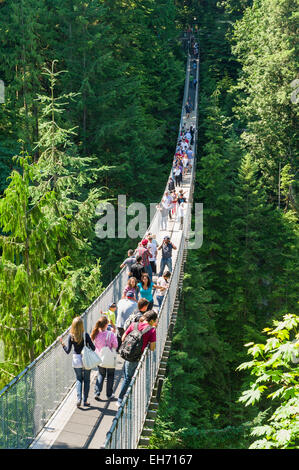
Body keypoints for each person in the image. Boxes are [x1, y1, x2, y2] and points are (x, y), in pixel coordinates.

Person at [117, 310, 158, 408]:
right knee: (129, 378)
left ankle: (122, 398)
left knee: (127, 375)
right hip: (136, 357)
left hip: (127, 353)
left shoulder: (134, 324)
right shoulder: (151, 330)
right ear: (151, 320)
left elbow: (123, 338)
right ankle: (121, 399)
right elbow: (152, 348)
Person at [59, 317, 95, 407]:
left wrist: (62, 344)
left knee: (79, 379)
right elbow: (93, 348)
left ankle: (79, 399)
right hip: (86, 359)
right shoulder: (85, 335)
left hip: (76, 360)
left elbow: (67, 351)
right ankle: (85, 401)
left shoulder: (71, 336)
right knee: (86, 380)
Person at [91, 316, 118, 401]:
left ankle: (97, 393)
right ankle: (109, 394)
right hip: (109, 358)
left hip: (100, 358)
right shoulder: (111, 334)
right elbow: (115, 345)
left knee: (101, 374)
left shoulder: (96, 334)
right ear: (106, 324)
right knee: (110, 376)